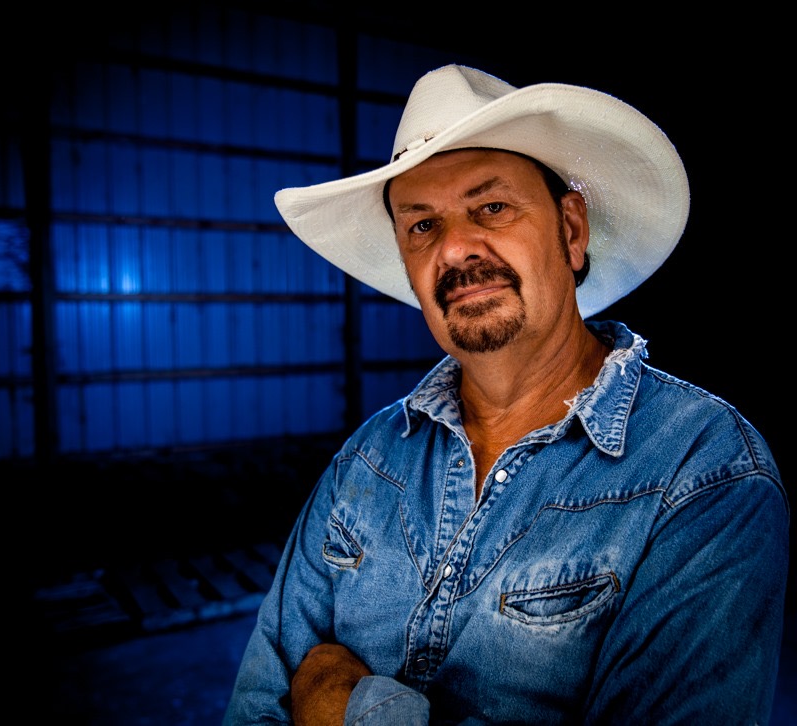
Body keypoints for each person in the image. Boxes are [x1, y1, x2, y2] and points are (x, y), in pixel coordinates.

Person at [222, 64, 789, 725]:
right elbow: (257, 703)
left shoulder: (703, 471)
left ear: (570, 231)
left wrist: (339, 700)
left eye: (491, 207)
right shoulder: (369, 459)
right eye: (422, 225)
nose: (456, 249)